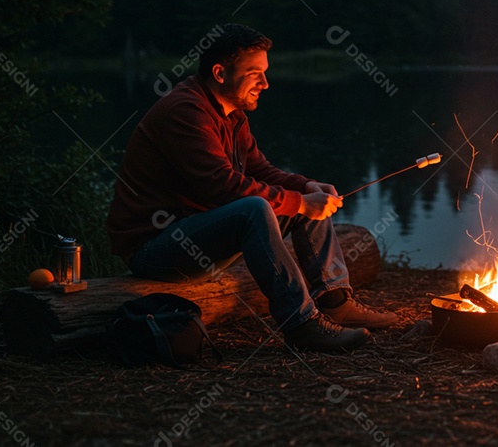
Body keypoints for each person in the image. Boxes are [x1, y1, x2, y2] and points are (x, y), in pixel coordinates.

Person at [106, 23, 397, 352]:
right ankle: (301, 324)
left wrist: (307, 187)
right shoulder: (185, 112)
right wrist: (301, 202)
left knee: (300, 201)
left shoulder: (231, 114)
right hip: (154, 249)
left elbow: (260, 170)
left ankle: (334, 301)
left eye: (266, 72)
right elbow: (223, 188)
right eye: (255, 73)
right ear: (219, 72)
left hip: (197, 236)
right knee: (257, 208)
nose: (266, 83)